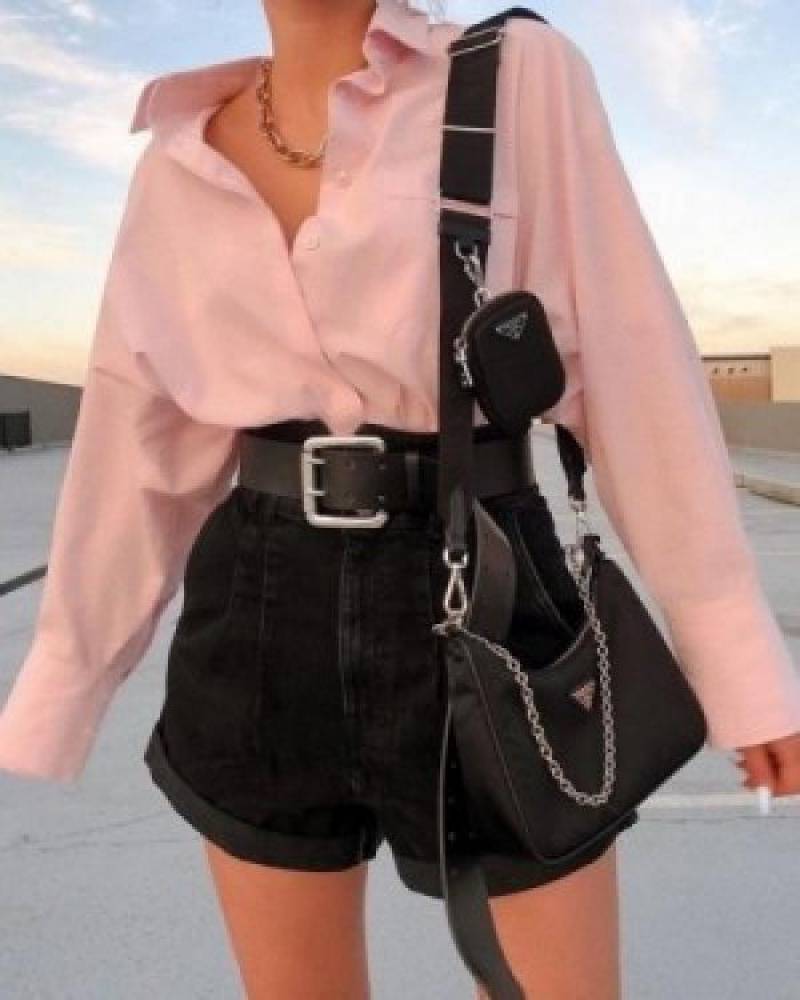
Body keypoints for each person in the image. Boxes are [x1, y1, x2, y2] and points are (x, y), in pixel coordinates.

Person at [2, 0, 799, 996]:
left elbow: (633, 367)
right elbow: (136, 443)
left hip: (486, 586)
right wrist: (66, 679)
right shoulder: (175, 159)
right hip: (256, 616)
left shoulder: (516, 73)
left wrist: (735, 657)